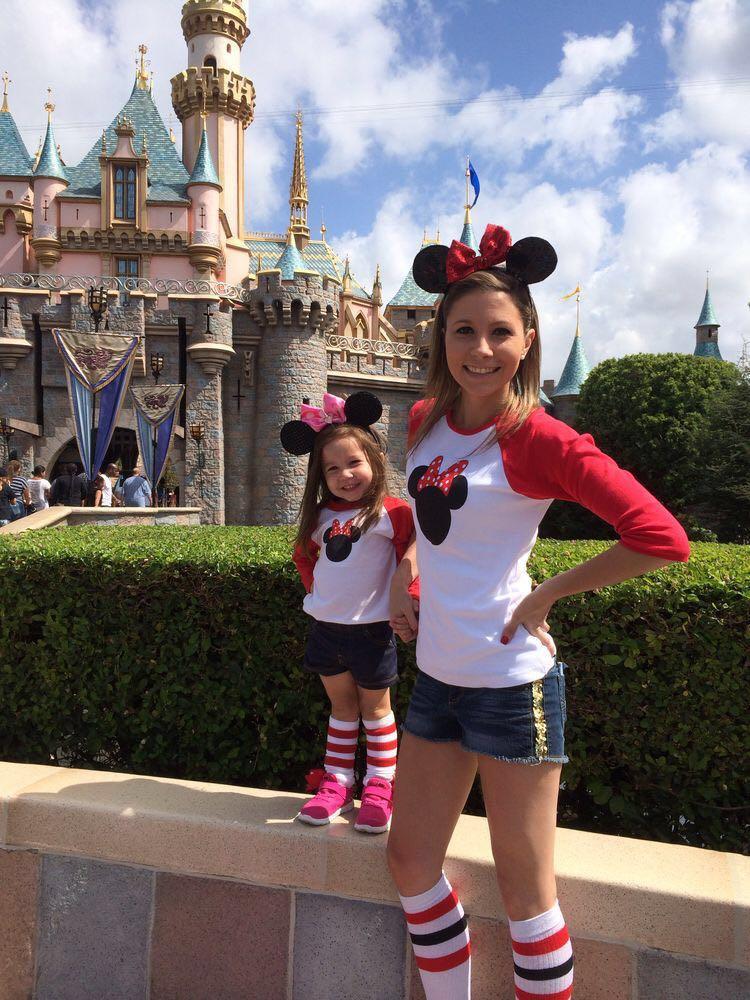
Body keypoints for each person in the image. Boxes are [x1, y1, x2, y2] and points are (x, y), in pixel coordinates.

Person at [386, 224, 691, 1000]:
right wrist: (404, 573)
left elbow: (661, 538)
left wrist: (547, 593)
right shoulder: (425, 421)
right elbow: (427, 520)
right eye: (464, 330)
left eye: (500, 332)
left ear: (528, 340)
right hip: (437, 680)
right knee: (410, 863)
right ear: (441, 336)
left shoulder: (536, 437)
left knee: (526, 900)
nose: (481, 349)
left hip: (510, 686)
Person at [282, 391, 416, 835]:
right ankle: (338, 782)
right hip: (326, 629)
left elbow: (417, 557)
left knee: (376, 711)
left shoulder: (393, 512)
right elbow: (304, 557)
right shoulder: (319, 515)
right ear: (320, 476)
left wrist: (409, 598)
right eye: (332, 469)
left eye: (353, 462)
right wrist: (320, 594)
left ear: (374, 458)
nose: (345, 475)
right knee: (342, 709)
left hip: (372, 631)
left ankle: (380, 785)